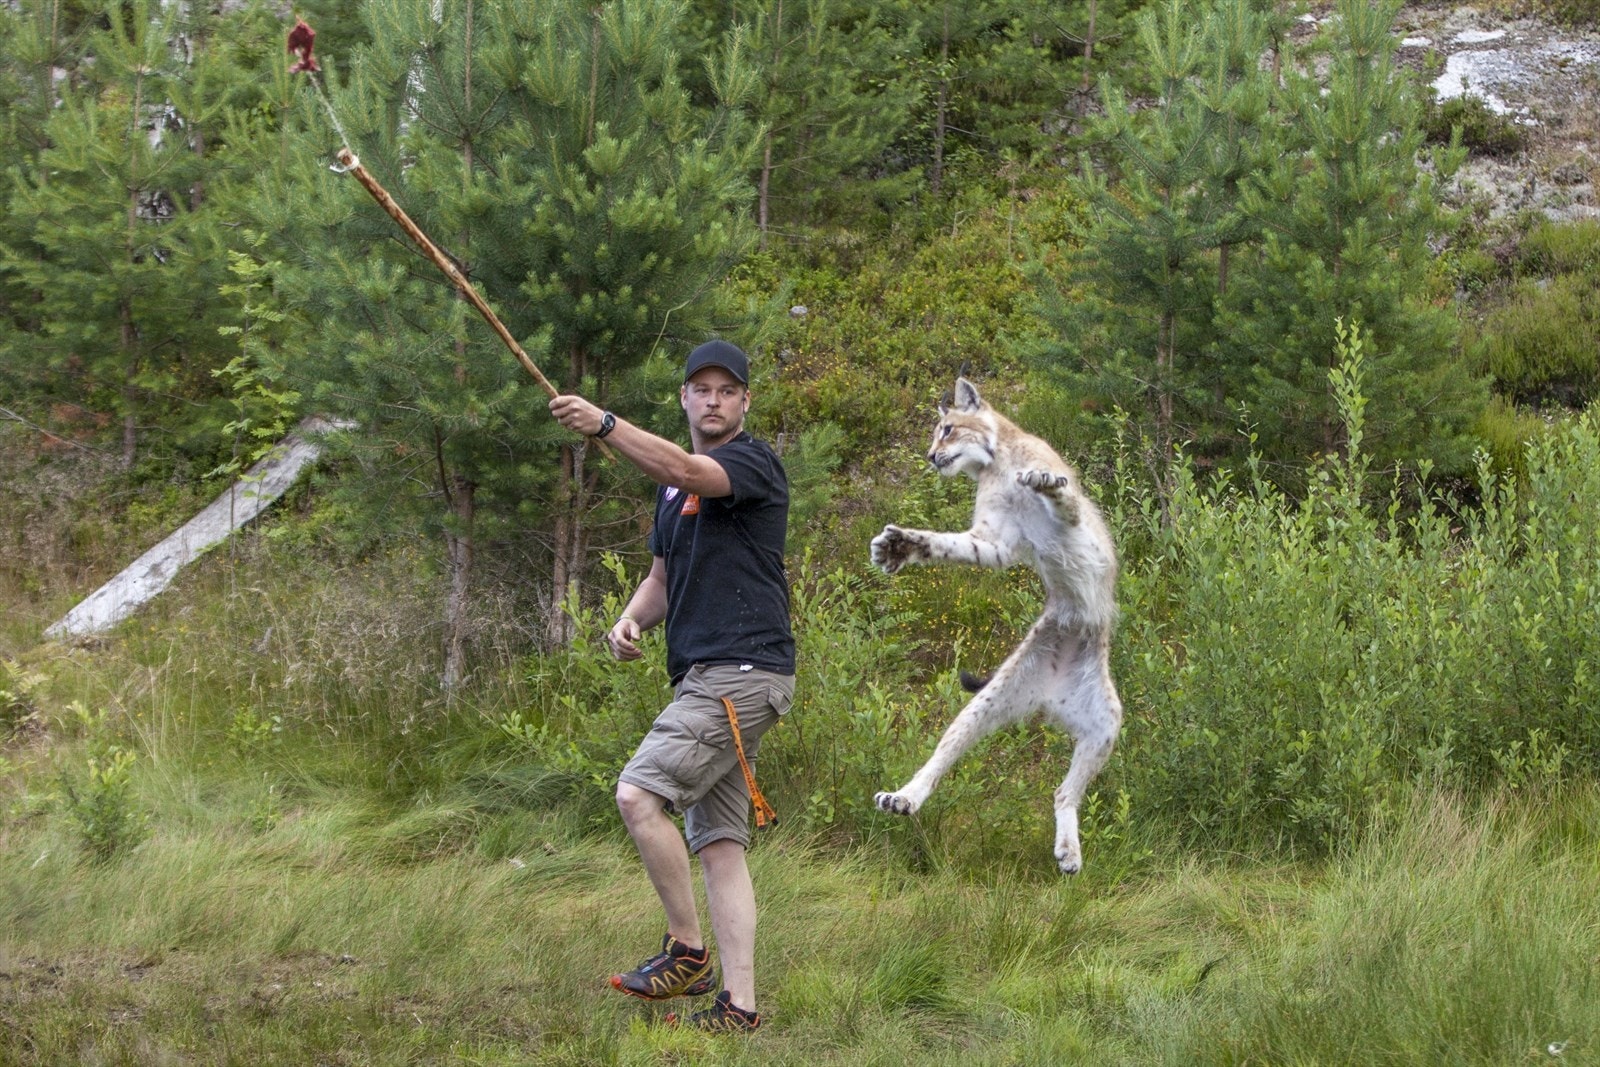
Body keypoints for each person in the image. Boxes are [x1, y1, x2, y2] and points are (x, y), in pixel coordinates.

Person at [548, 340, 795, 1033]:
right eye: (701, 389)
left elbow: (686, 465)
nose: (713, 400)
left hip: (741, 672)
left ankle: (687, 952)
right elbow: (660, 579)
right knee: (719, 844)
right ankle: (739, 1009)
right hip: (708, 674)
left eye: (727, 390)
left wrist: (604, 424)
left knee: (637, 793)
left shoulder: (750, 463)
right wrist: (630, 619)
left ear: (744, 402)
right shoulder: (668, 494)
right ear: (684, 398)